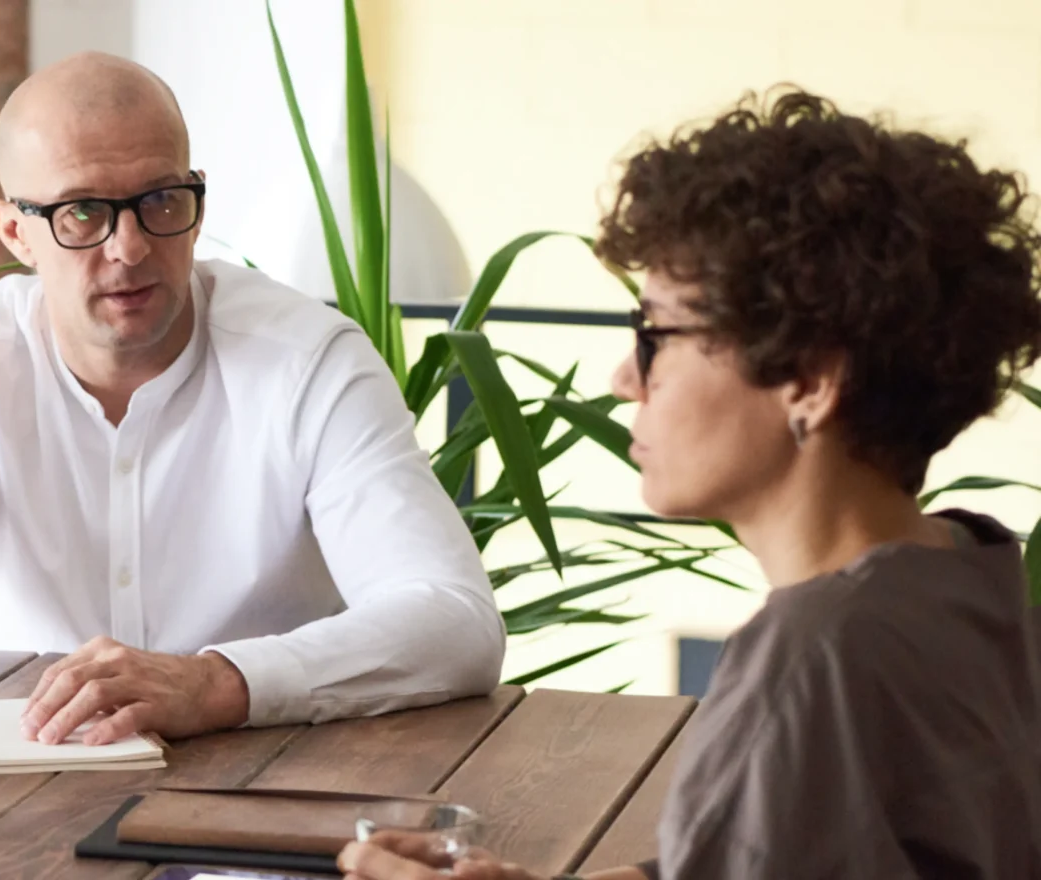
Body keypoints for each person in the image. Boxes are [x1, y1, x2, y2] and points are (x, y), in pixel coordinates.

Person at [338, 87, 1041, 880]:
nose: (622, 378)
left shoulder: (814, 656)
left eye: (656, 335)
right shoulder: (973, 573)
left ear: (809, 381)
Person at [0, 49, 502, 747]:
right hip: (26, 786)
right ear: (15, 230)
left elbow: (455, 622)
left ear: (197, 201)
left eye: (159, 200)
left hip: (271, 781)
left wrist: (213, 684)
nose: (130, 248)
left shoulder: (309, 362)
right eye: (83, 212)